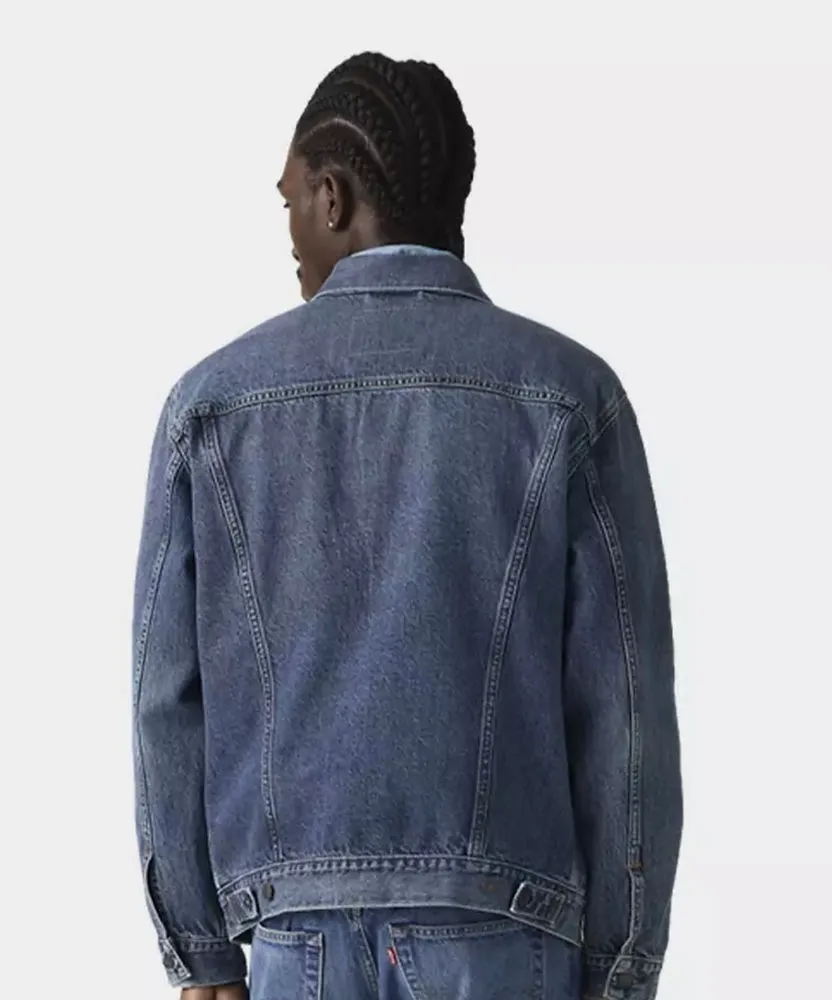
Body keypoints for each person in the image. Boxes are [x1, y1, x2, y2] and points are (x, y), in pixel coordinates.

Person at [132, 51, 682, 1000]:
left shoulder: (211, 407)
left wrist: (200, 946)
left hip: (293, 936)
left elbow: (166, 700)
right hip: (507, 933)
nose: (290, 233)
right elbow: (624, 705)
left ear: (333, 198)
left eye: (290, 201)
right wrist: (623, 962)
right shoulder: (568, 397)